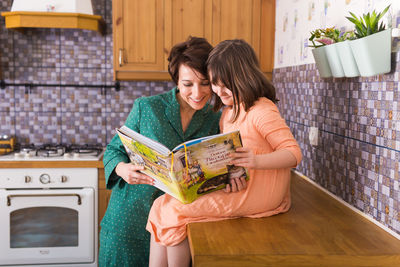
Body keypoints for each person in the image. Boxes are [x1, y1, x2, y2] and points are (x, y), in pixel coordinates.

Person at [146, 39, 302, 267]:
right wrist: (225, 178)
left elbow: (293, 154)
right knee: (162, 204)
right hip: (243, 187)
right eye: (215, 84)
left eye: (224, 84)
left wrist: (256, 161)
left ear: (243, 77)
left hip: (264, 194)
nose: (218, 91)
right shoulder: (228, 114)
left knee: (176, 211)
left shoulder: (262, 110)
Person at [99, 36, 223, 267]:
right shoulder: (147, 107)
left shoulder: (216, 120)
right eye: (188, 84)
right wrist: (122, 168)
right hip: (129, 220)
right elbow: (114, 149)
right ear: (176, 81)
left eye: (205, 83)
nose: (197, 93)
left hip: (177, 228)